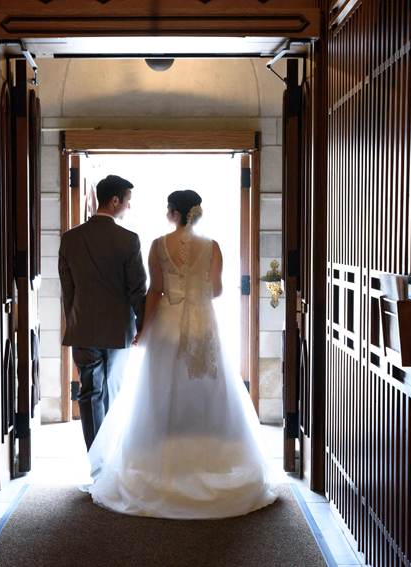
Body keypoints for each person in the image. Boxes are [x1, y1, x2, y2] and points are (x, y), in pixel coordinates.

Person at [86, 189, 281, 519]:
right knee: (207, 392)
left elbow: (156, 290)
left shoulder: (159, 245)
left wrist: (143, 329)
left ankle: (162, 461)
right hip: (202, 326)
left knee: (161, 393)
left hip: (167, 326)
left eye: (167, 209)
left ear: (175, 213)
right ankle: (210, 460)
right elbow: (216, 290)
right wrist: (196, 291)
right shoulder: (213, 246)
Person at [58, 175, 148, 451]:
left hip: (82, 328)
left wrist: (75, 321)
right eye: (128, 202)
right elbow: (138, 290)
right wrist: (143, 326)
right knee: (113, 391)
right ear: (115, 200)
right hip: (118, 331)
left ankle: (96, 462)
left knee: (89, 393)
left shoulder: (70, 238)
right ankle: (112, 458)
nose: (129, 208)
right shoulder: (128, 240)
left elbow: (68, 289)